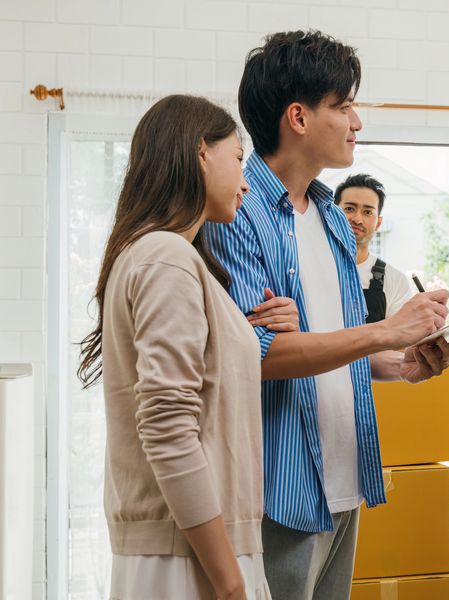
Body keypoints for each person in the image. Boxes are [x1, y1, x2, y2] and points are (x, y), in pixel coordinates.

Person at [204, 31, 449, 600]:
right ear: (298, 116)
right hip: (279, 489)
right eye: (343, 106)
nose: (357, 121)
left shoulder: (333, 219)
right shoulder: (236, 215)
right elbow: (259, 358)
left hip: (346, 477)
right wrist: (385, 330)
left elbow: (335, 350)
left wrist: (404, 363)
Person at [77, 95, 299, 600]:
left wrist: (243, 333)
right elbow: (167, 426)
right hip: (192, 552)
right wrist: (228, 582)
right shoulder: (167, 257)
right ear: (202, 151)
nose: (245, 182)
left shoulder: (162, 256)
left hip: (193, 542)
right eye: (238, 159)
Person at [334, 173, 412, 322]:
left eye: (367, 212)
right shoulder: (311, 268)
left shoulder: (396, 281)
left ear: (378, 223)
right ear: (332, 214)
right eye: (349, 209)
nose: (357, 219)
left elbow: (400, 341)